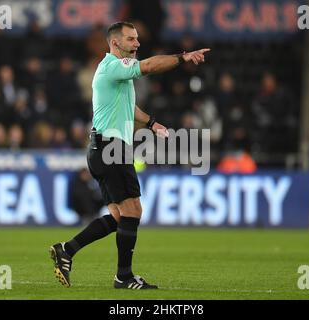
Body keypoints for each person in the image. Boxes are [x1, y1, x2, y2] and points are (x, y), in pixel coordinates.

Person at [49, 21, 210, 290]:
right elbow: (147, 66)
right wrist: (182, 58)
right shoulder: (113, 66)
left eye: (137, 38)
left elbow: (129, 106)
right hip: (110, 147)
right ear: (115, 43)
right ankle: (123, 277)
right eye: (131, 39)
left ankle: (67, 250)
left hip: (103, 148)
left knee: (119, 216)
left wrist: (151, 123)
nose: (137, 43)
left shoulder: (115, 75)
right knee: (133, 210)